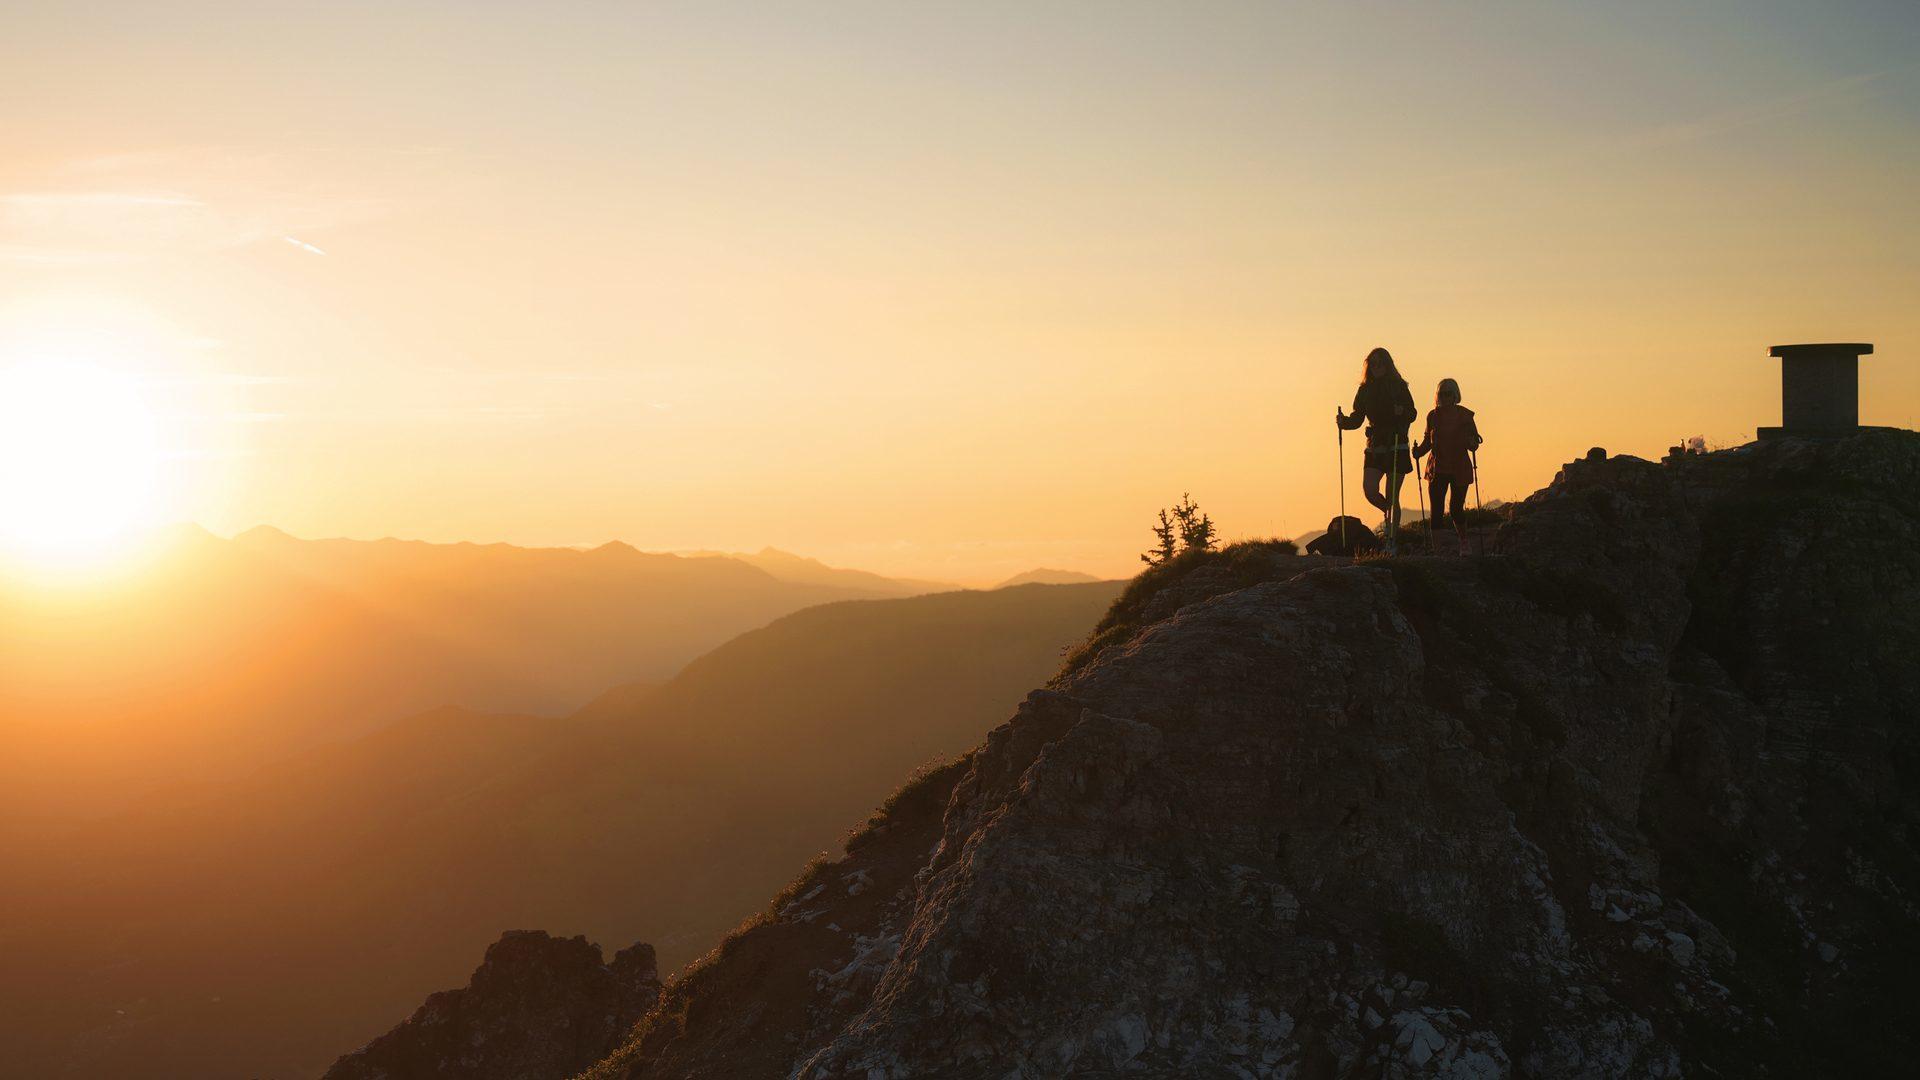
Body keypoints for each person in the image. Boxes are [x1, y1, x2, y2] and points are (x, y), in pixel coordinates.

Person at [1335, 347, 1416, 545]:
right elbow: (1358, 417)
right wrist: (1344, 422)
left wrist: (1402, 412)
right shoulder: (1365, 390)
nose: (1377, 367)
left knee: (1392, 495)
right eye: (1373, 364)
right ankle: (1389, 516)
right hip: (1375, 444)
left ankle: (1392, 540)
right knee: (1370, 490)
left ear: (1388, 365)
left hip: (1397, 443)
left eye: (1380, 363)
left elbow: (1412, 413)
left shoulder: (1398, 386)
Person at [1411, 377, 1483, 554]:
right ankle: (1438, 550)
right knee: (1436, 510)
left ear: (1455, 395)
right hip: (1437, 467)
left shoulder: (1465, 416)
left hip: (1459, 467)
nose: (1444, 397)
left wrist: (1472, 442)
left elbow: (1473, 443)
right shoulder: (1433, 416)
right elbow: (1428, 441)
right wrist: (1418, 452)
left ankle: (1464, 542)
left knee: (1456, 508)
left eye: (1448, 394)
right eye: (1441, 394)